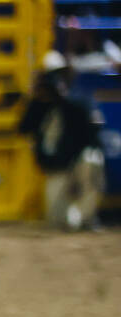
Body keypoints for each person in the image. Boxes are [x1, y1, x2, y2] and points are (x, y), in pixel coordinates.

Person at [18, 51, 106, 231]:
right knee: (57, 220)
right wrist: (35, 98)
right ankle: (71, 218)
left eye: (61, 73)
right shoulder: (39, 102)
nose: (57, 79)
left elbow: (93, 129)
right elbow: (23, 128)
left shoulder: (78, 98)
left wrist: (62, 96)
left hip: (79, 159)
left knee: (93, 160)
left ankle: (85, 217)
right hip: (57, 166)